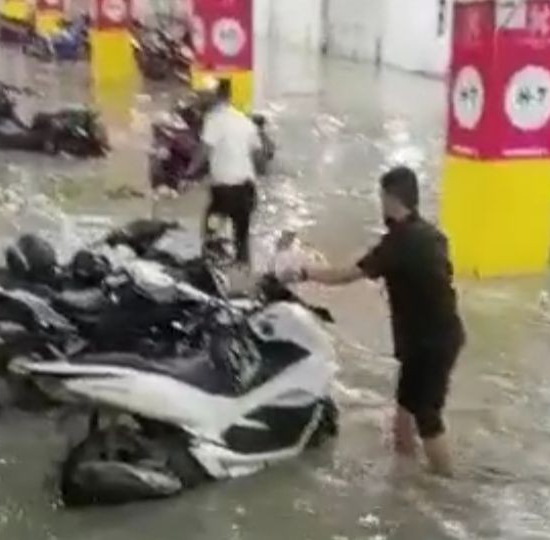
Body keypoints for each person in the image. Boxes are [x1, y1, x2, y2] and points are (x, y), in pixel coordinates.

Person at [281, 166, 465, 476]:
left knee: (427, 416)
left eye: (381, 197)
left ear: (392, 199)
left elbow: (345, 276)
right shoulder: (431, 235)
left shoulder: (398, 244)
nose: (380, 204)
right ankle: (405, 471)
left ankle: (446, 485)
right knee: (405, 406)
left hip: (431, 344)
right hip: (432, 336)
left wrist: (303, 271)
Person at [186, 78, 261, 266]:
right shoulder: (244, 120)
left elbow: (204, 151)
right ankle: (243, 279)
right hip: (248, 192)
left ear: (217, 96)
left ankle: (210, 276)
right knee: (241, 241)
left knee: (211, 235)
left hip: (225, 192)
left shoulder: (214, 119)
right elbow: (258, 154)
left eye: (205, 94)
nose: (201, 98)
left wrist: (188, 174)